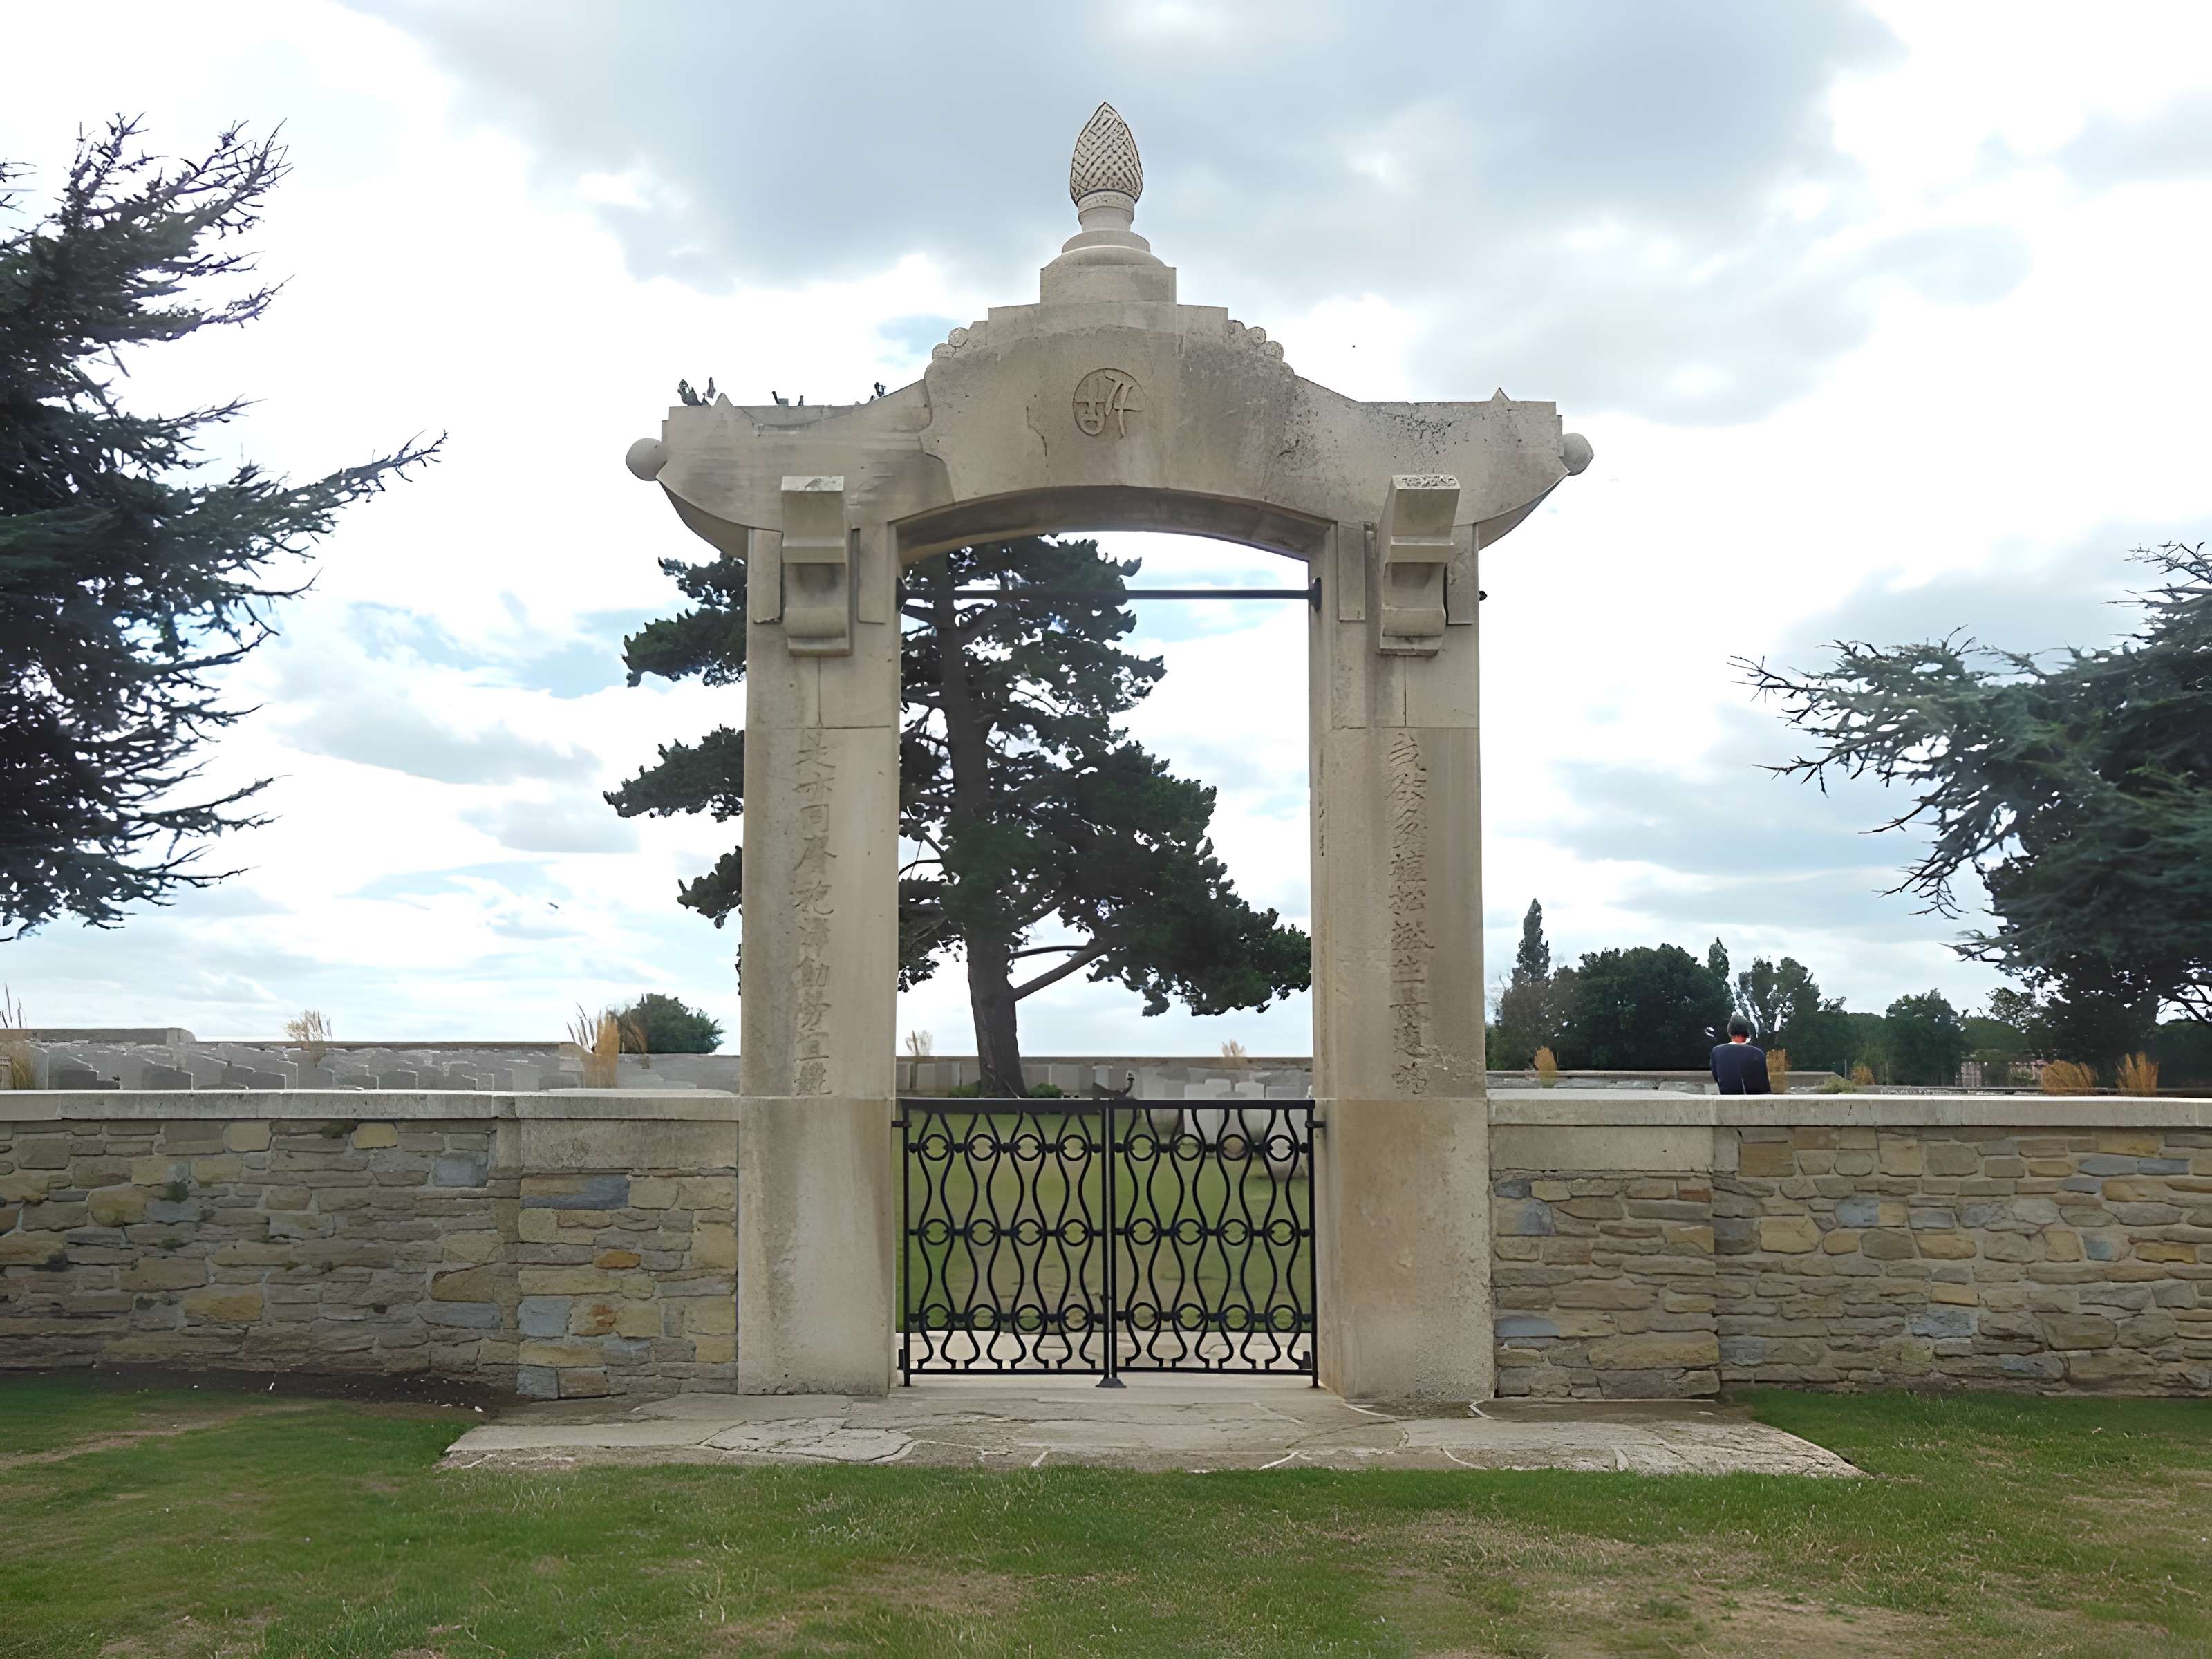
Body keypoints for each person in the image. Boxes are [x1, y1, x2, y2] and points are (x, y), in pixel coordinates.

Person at [1711, 1015, 1772, 1094]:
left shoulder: (1717, 1052)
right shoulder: (1758, 1053)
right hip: (1757, 1101)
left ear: (1729, 1031)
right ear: (1748, 1032)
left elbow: (1717, 1077)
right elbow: (1764, 1085)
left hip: (1728, 1101)